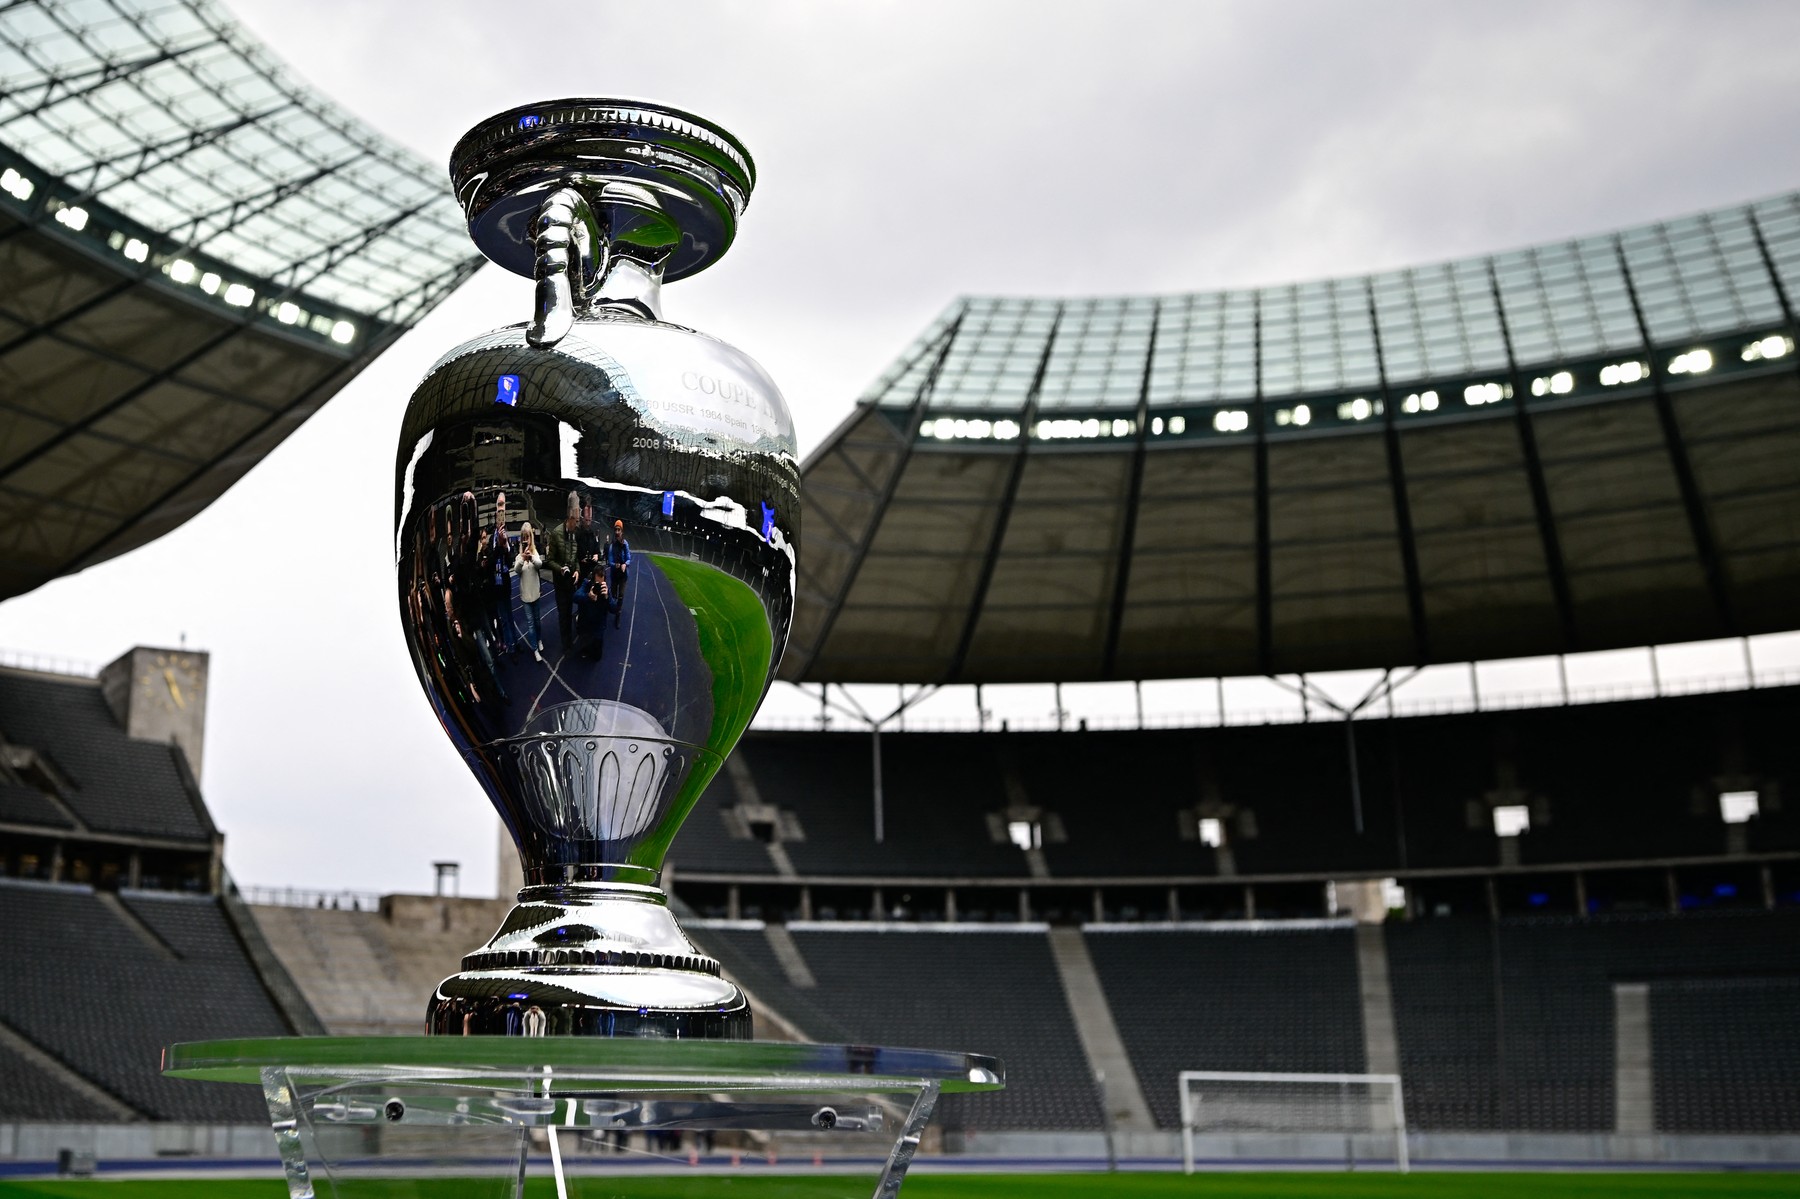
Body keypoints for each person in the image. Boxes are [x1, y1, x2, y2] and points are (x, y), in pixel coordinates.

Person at [545, 491, 582, 648]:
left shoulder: (575, 533)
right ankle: (566, 644)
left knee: (569, 611)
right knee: (563, 615)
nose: (578, 524)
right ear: (570, 518)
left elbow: (576, 558)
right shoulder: (556, 534)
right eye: (576, 520)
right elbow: (549, 560)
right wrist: (560, 569)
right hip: (560, 584)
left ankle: (569, 638)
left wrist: (577, 571)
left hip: (571, 583)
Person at [481, 492, 515, 654]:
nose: (501, 514)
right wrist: (498, 546)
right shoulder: (490, 538)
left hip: (506, 585)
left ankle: (515, 643)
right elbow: (489, 563)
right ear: (496, 515)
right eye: (499, 510)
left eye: (503, 509)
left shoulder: (506, 535)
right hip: (496, 587)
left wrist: (506, 545)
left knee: (510, 616)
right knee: (504, 620)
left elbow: (510, 562)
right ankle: (511, 648)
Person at [513, 522, 546, 660]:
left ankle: (539, 640)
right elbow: (516, 570)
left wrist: (531, 557)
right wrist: (523, 559)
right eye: (524, 536)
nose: (526, 539)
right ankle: (534, 649)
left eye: (528, 536)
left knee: (537, 621)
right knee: (531, 624)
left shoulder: (535, 552)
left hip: (536, 594)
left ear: (531, 537)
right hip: (525, 595)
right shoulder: (519, 556)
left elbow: (539, 565)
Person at [575, 560, 609, 660]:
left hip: (598, 623)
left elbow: (614, 608)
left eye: (601, 583)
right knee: (584, 651)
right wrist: (588, 596)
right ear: (592, 579)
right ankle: (577, 620)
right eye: (596, 583)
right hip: (586, 621)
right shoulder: (587, 583)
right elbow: (575, 596)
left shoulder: (605, 588)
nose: (598, 585)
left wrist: (606, 597)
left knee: (597, 656)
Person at [604, 519, 631, 629]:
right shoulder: (611, 546)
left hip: (623, 575)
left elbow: (629, 558)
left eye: (619, 529)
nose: (617, 531)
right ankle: (613, 609)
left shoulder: (625, 544)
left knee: (621, 596)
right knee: (614, 594)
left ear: (622, 531)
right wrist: (615, 565)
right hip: (615, 574)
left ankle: (618, 615)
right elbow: (609, 561)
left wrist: (625, 564)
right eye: (615, 529)